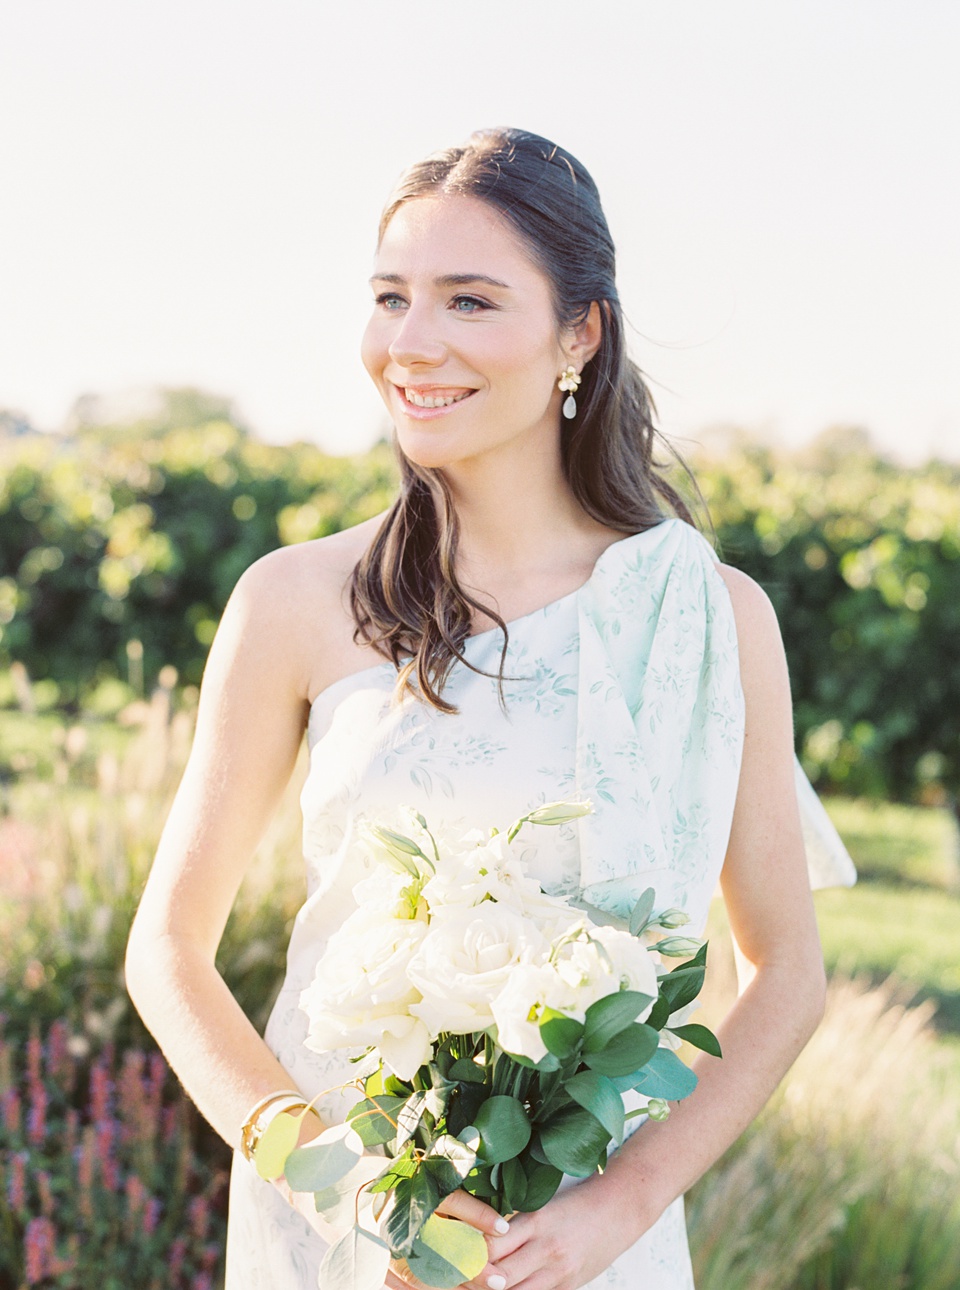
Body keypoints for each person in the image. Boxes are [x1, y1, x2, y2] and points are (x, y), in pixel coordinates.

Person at [126, 127, 840, 1290]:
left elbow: (785, 973)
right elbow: (167, 952)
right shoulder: (295, 603)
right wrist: (343, 1193)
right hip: (341, 1235)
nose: (413, 343)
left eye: (469, 301)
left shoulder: (709, 616)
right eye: (391, 296)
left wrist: (617, 1210)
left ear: (579, 333)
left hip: (582, 1244)